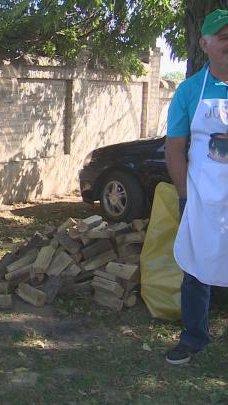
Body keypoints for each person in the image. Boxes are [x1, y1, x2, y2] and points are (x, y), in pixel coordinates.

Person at [164, 9, 228, 365]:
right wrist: (185, 197)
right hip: (203, 195)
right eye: (223, 37)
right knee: (196, 266)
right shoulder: (190, 91)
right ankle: (193, 337)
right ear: (205, 43)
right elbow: (174, 148)